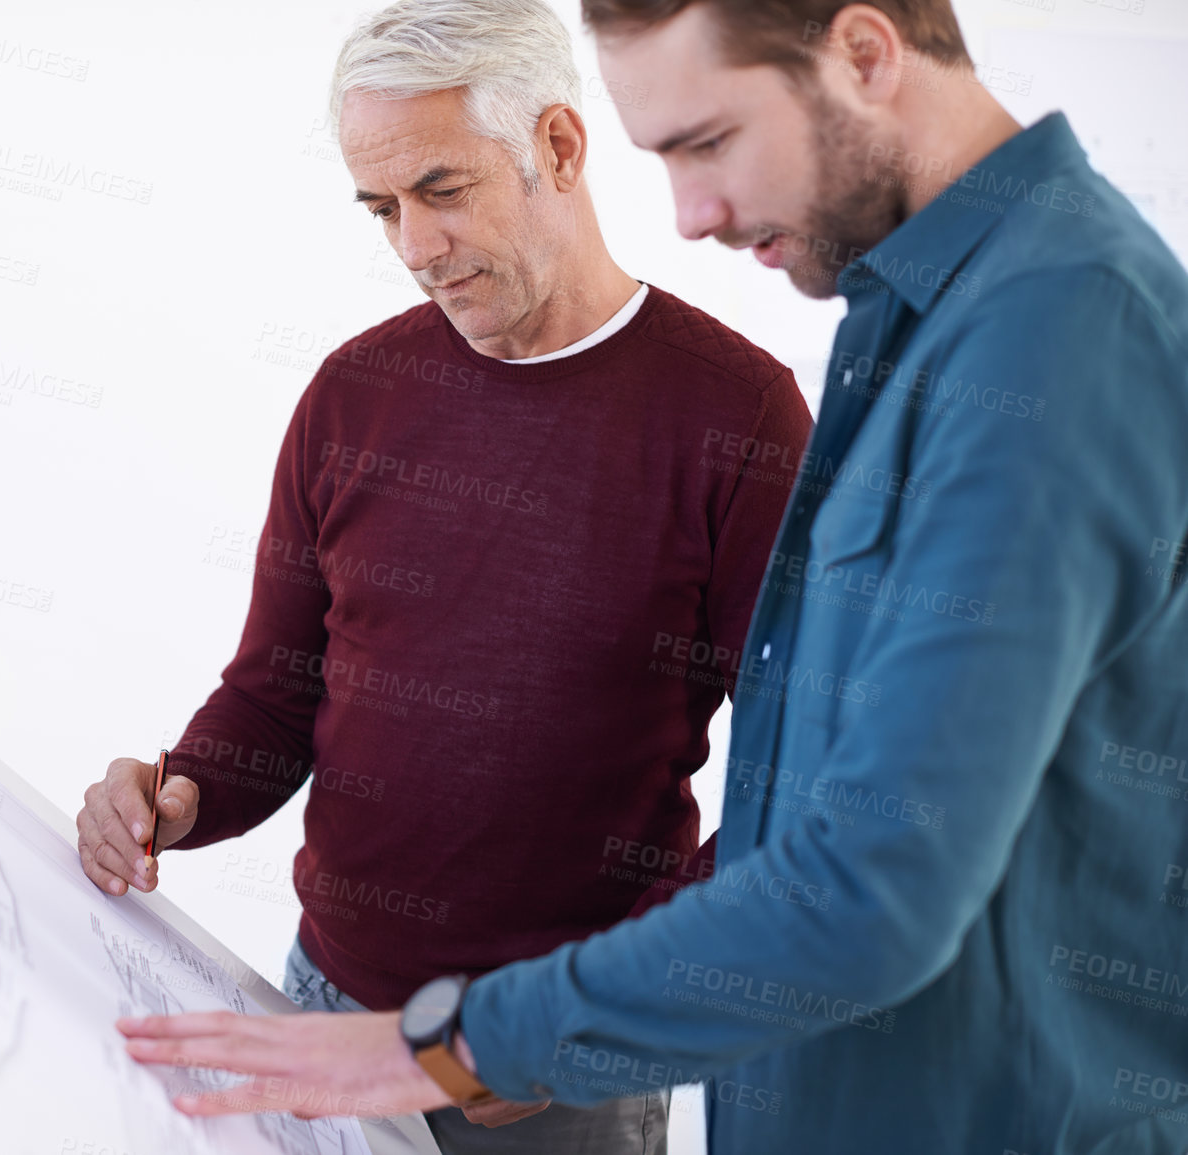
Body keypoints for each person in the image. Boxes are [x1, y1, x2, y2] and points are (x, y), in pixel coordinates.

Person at [115, 2, 1188, 1153]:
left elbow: (870, 871)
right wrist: (190, 793)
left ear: (867, 55)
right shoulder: (914, 318)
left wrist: (467, 1043)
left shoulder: (1057, 329)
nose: (691, 215)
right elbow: (810, 788)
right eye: (384, 209)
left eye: (708, 143)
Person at [76, 1, 813, 1150]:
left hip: (548, 1069)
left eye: (444, 190)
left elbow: (792, 779)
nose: (414, 248)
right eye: (383, 209)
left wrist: (584, 1021)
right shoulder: (350, 393)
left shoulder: (742, 418)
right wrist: (183, 792)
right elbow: (278, 691)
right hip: (321, 1005)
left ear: (559, 148)